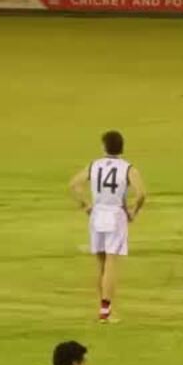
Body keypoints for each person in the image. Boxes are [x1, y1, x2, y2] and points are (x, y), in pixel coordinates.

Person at [69, 131, 147, 323]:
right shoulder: (128, 168)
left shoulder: (94, 165)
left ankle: (104, 309)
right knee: (112, 262)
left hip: (97, 214)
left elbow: (74, 185)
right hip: (115, 215)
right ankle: (106, 310)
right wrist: (133, 211)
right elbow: (141, 194)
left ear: (104, 147)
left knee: (101, 264)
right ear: (122, 148)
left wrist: (86, 205)